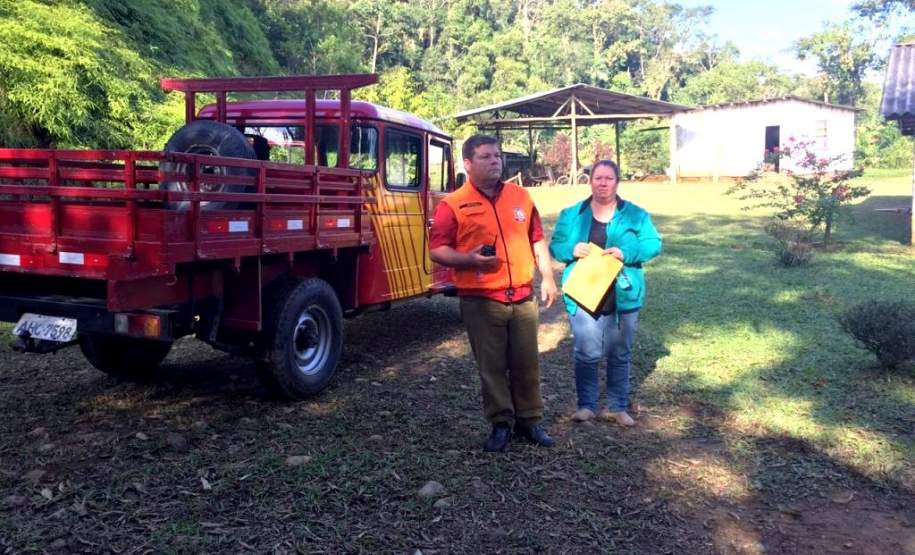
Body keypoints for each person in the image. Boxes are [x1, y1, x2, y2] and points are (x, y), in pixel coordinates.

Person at [429, 134, 559, 452]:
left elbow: (537, 237)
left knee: (527, 362)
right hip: (481, 299)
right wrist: (469, 260)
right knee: (492, 366)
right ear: (468, 163)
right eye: (486, 157)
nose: (494, 161)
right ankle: (501, 423)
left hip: (523, 297)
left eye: (497, 156)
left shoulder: (520, 196)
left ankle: (529, 421)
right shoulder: (453, 204)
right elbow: (437, 250)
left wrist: (548, 276)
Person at [549, 160, 661, 426]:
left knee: (619, 353)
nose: (603, 182)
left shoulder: (636, 215)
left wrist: (627, 253)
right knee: (586, 352)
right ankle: (586, 406)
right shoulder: (572, 214)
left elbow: (653, 244)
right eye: (598, 177)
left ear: (617, 181)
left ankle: (616, 406)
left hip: (622, 295)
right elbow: (556, 245)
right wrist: (572, 249)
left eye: (608, 178)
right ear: (591, 181)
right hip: (584, 293)